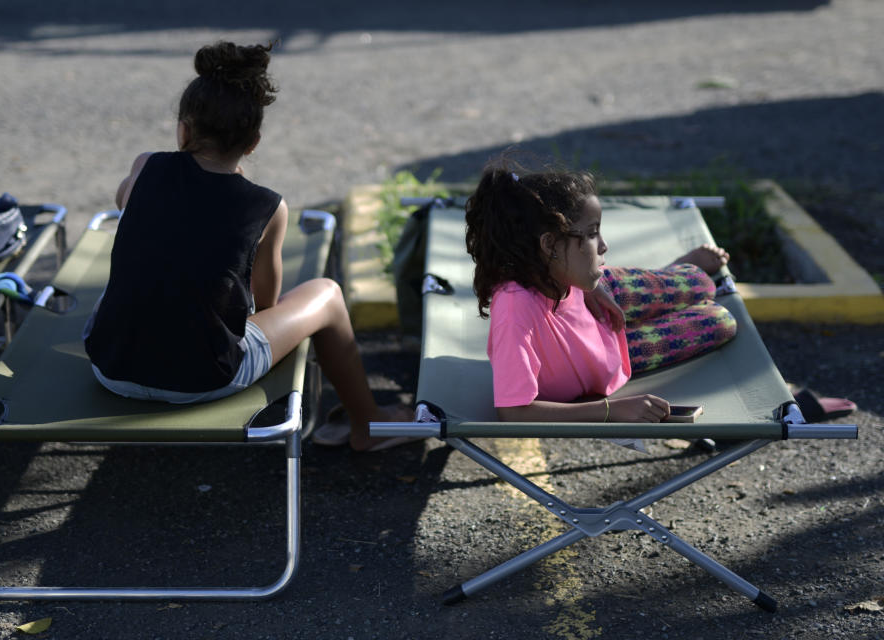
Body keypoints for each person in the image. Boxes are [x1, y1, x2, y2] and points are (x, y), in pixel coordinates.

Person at [84, 41, 409, 451]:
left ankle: (367, 423)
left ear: (184, 129)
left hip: (111, 366)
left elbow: (123, 202)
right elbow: (265, 305)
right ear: (253, 142)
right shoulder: (267, 207)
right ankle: (368, 425)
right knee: (326, 295)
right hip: (203, 379)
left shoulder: (146, 166)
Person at [464, 160, 738, 423]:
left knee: (701, 282)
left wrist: (589, 287)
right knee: (720, 321)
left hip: (606, 292)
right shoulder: (515, 307)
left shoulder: (554, 270)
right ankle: (661, 285)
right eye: (592, 233)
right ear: (550, 245)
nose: (604, 245)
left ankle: (674, 270)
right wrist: (610, 410)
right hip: (619, 352)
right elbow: (513, 412)